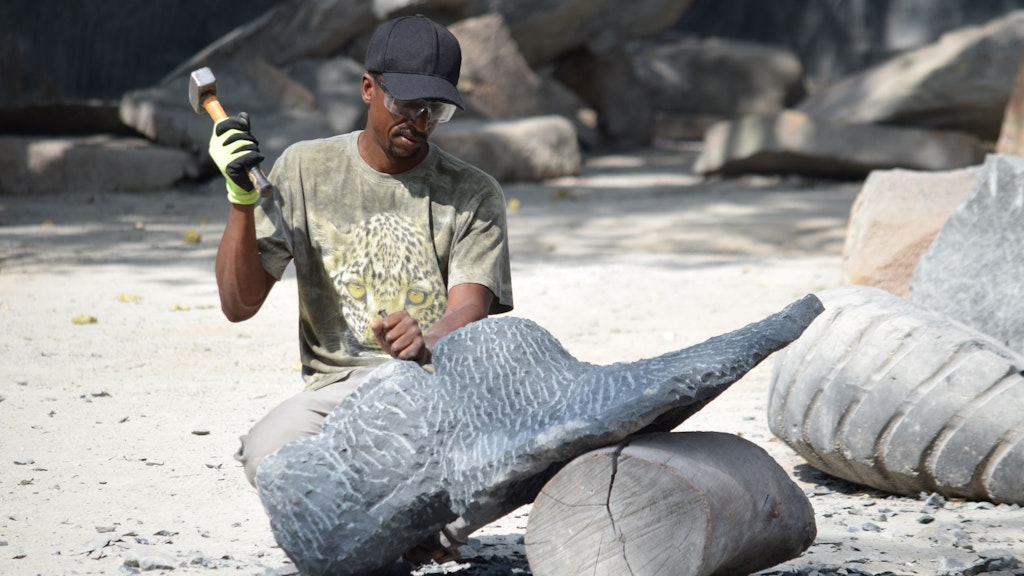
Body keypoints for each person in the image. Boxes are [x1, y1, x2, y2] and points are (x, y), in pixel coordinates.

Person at [207, 14, 514, 559]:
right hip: (340, 389)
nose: (417, 122)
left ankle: (401, 524)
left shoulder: (472, 192)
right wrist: (241, 201)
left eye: (434, 110)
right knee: (266, 456)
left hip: (435, 389)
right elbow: (238, 304)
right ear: (368, 88)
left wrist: (429, 340)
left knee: (518, 453)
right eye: (405, 104)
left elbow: (471, 305)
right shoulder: (306, 168)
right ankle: (401, 527)